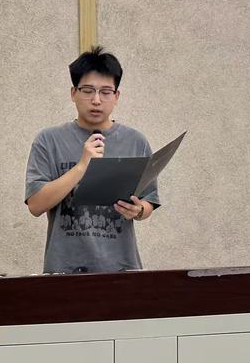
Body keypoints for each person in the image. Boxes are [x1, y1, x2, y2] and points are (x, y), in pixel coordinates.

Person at [24, 46, 159, 273]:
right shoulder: (48, 140)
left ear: (116, 96)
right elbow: (36, 205)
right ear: (73, 93)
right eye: (88, 90)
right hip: (64, 271)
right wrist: (82, 166)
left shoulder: (136, 141)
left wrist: (138, 210)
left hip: (122, 270)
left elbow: (149, 202)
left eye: (106, 92)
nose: (96, 100)